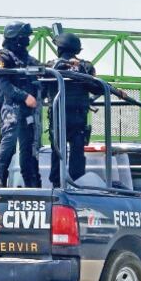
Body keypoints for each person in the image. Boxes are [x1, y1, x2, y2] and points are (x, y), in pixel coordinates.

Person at [46, 31, 101, 188]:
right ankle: (76, 185)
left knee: (57, 151)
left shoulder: (51, 66)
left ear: (60, 48)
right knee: (77, 152)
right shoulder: (85, 67)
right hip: (78, 118)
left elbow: (41, 88)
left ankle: (57, 184)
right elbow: (97, 88)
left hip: (58, 117)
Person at [0, 22, 41, 189]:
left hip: (29, 110)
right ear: (15, 38)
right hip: (11, 106)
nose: (27, 40)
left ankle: (31, 184)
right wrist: (24, 96)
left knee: (29, 147)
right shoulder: (3, 57)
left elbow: (42, 71)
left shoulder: (28, 59)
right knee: (9, 141)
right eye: (24, 37)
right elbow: (4, 84)